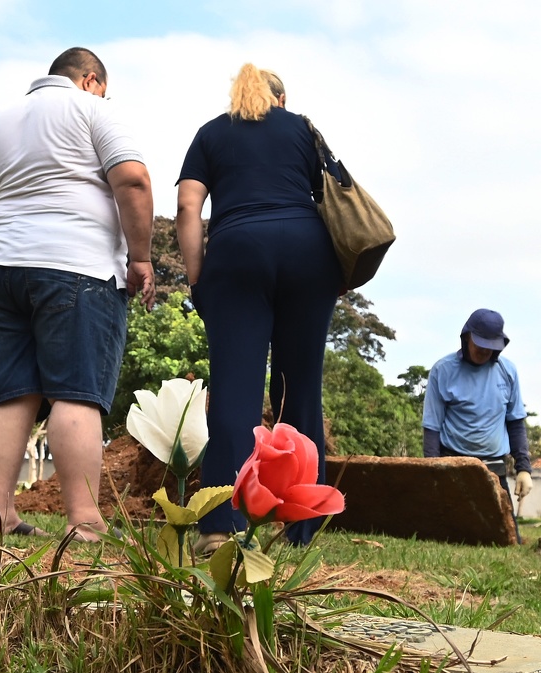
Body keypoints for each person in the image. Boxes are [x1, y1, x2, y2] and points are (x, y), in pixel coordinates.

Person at [0, 47, 155, 541]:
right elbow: (132, 179)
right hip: (78, 268)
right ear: (91, 80)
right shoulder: (94, 110)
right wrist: (140, 258)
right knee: (76, 394)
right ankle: (85, 522)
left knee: (12, 395)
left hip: (4, 271)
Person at [175, 63, 343, 552]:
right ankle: (303, 525)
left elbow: (189, 206)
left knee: (235, 389)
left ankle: (218, 527)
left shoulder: (210, 133)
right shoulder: (302, 129)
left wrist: (197, 277)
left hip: (237, 252)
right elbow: (336, 196)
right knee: (298, 386)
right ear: (281, 99)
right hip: (309, 254)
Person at [421, 308, 533, 540]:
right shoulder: (443, 370)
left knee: (508, 539)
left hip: (494, 467)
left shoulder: (507, 371)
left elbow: (515, 423)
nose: (484, 350)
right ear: (466, 338)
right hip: (453, 464)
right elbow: (432, 426)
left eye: (491, 345)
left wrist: (523, 469)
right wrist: (431, 471)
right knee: (445, 535)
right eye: (480, 343)